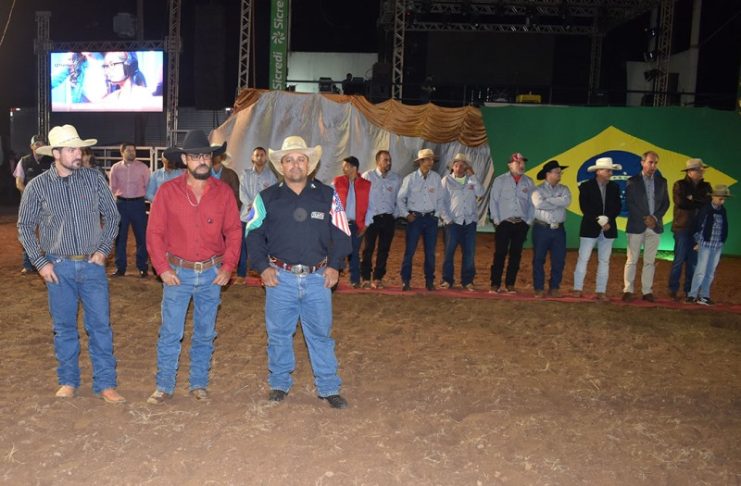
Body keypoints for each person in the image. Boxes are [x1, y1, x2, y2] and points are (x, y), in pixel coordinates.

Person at [17, 124, 125, 403]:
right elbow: (25, 226)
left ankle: (105, 383)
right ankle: (68, 380)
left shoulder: (94, 179)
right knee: (64, 327)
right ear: (56, 153)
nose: (78, 154)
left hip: (92, 266)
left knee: (100, 326)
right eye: (71, 149)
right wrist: (40, 263)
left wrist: (103, 250)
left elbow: (112, 216)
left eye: (79, 149)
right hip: (58, 267)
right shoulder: (37, 186)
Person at [245, 135, 352, 409]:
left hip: (318, 278)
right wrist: (262, 267)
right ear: (281, 165)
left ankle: (328, 387)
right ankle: (279, 383)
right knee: (279, 334)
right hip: (280, 278)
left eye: (300, 159)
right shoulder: (265, 198)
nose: (295, 164)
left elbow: (342, 233)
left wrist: (335, 265)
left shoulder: (328, 196)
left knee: (320, 335)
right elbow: (252, 233)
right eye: (289, 160)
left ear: (309, 164)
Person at [145, 130, 242, 404]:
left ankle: (198, 383)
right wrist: (162, 268)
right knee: (171, 332)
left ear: (212, 159)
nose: (202, 160)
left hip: (212, 273)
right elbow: (154, 233)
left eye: (206, 156)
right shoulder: (168, 192)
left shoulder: (223, 193)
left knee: (205, 332)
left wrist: (228, 266)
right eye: (196, 156)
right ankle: (164, 385)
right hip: (178, 272)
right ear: (185, 160)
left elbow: (234, 231)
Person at [572, 157, 623, 301]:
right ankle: (577, 288)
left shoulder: (614, 187)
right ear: (598, 171)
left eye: (611, 170)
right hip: (590, 227)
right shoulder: (586, 186)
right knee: (583, 258)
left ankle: (601, 291)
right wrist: (599, 220)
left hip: (608, 228)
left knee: (604, 260)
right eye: (608, 170)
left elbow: (617, 207)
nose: (610, 173)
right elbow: (585, 207)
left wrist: (607, 219)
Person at [622, 151, 670, 302]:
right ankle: (628, 289)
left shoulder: (662, 182)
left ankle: (647, 291)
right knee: (632, 260)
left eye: (655, 163)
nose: (653, 166)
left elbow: (666, 203)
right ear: (642, 163)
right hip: (637, 225)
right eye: (650, 162)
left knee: (650, 261)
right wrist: (646, 218)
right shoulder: (632, 181)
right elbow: (630, 203)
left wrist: (654, 218)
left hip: (654, 226)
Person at [397, 148, 447, 291]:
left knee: (430, 252)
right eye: (428, 159)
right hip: (415, 219)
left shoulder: (436, 178)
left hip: (430, 219)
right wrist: (406, 214)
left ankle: (429, 281)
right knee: (410, 251)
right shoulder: (410, 178)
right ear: (421, 161)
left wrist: (436, 215)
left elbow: (440, 199)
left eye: (432, 159)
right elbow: (400, 198)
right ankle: (406, 280)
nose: (431, 162)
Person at [488, 152, 535, 293]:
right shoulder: (500, 180)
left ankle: (510, 284)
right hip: (504, 223)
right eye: (518, 162)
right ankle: (495, 283)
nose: (521, 165)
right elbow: (493, 201)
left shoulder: (529, 182)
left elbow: (532, 204)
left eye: (523, 162)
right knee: (500, 253)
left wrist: (528, 222)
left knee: (516, 254)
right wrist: (497, 220)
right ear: (510, 165)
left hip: (521, 224)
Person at [668, 158, 712, 301]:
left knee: (692, 262)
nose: (701, 172)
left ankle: (688, 290)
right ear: (690, 172)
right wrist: (698, 201)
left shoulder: (706, 186)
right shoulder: (680, 185)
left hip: (697, 228)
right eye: (699, 169)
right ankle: (673, 289)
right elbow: (681, 203)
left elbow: (707, 203)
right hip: (682, 227)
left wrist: (693, 199)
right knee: (679, 259)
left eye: (701, 169)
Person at [439, 153, 483, 291]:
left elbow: (480, 193)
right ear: (452, 167)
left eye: (462, 165)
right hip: (453, 223)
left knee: (469, 253)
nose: (459, 168)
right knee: (449, 252)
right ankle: (447, 279)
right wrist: (447, 219)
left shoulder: (471, 181)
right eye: (456, 165)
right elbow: (440, 202)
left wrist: (473, 176)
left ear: (466, 167)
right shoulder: (446, 180)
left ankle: (468, 281)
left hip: (469, 222)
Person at [360, 150, 401, 289]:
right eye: (385, 160)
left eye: (390, 160)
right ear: (377, 161)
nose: (388, 163)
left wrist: (395, 214)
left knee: (384, 249)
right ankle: (366, 277)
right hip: (371, 218)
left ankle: (378, 278)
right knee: (368, 248)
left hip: (388, 218)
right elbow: (361, 197)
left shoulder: (396, 179)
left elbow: (399, 198)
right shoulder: (368, 176)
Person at [531, 160, 571, 298]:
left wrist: (548, 200)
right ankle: (539, 288)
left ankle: (554, 287)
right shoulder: (537, 189)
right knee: (538, 259)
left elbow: (567, 201)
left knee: (559, 260)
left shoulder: (564, 189)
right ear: (548, 174)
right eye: (557, 172)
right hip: (541, 228)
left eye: (560, 172)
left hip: (559, 229)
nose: (560, 174)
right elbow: (538, 204)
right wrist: (557, 201)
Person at [109, 142, 150, 277]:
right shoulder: (115, 168)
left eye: (133, 150)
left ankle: (142, 267)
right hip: (121, 204)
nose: (132, 152)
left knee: (141, 236)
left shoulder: (143, 168)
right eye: (129, 150)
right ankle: (120, 267)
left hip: (138, 204)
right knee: (120, 237)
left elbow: (148, 186)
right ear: (122, 152)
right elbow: (112, 188)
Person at [15, 135, 53, 275]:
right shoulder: (24, 161)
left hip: (48, 203)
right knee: (27, 232)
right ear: (31, 146)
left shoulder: (51, 161)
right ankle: (28, 264)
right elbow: (19, 183)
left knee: (49, 232)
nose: (39, 146)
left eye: (41, 143)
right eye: (36, 144)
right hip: (29, 204)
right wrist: (30, 194)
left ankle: (49, 261)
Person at [687, 184, 731, 306]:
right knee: (701, 271)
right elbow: (697, 226)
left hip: (717, 246)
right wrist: (697, 242)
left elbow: (724, 227)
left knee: (710, 272)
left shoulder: (723, 211)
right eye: (721, 198)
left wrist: (722, 241)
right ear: (713, 197)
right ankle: (692, 295)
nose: (722, 201)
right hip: (705, 244)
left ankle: (704, 295)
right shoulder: (705, 209)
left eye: (724, 199)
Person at [333, 156, 373, 287]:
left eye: (345, 166)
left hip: (357, 224)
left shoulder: (367, 185)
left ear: (353, 168)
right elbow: (332, 202)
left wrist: (366, 225)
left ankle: (355, 280)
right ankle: (334, 280)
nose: (343, 168)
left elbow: (371, 206)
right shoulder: (337, 182)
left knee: (354, 252)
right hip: (340, 223)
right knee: (338, 251)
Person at [239, 147, 278, 282]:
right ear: (252, 158)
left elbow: (273, 195)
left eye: (262, 155)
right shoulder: (245, 174)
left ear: (266, 158)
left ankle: (263, 272)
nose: (260, 157)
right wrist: (251, 204)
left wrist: (259, 208)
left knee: (263, 245)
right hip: (247, 215)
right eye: (257, 155)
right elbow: (242, 192)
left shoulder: (271, 176)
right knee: (243, 246)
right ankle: (241, 274)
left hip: (264, 217)